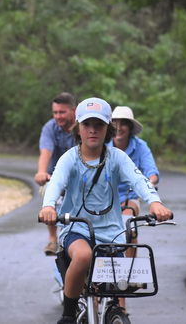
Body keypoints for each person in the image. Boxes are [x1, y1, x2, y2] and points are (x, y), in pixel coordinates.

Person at [38, 97, 172, 324]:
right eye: (87, 125)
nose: (92, 130)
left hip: (112, 232)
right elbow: (55, 184)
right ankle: (68, 314)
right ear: (78, 128)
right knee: (83, 256)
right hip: (77, 227)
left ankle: (111, 311)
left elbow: (139, 179)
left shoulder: (117, 158)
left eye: (99, 125)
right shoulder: (69, 158)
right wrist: (48, 207)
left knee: (112, 285)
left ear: (108, 129)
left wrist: (155, 202)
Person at [109, 105, 160, 311]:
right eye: (115, 123)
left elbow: (152, 172)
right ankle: (94, 293)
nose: (119, 128)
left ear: (130, 128)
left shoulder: (140, 147)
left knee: (129, 226)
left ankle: (126, 284)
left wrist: (149, 185)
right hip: (104, 199)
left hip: (130, 197)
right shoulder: (102, 144)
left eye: (123, 124)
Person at [34, 92, 76, 256]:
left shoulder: (83, 127)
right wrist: (41, 172)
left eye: (62, 112)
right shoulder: (50, 127)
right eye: (55, 112)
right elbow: (45, 152)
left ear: (73, 111)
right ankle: (53, 238)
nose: (58, 116)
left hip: (79, 176)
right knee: (48, 191)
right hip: (55, 176)